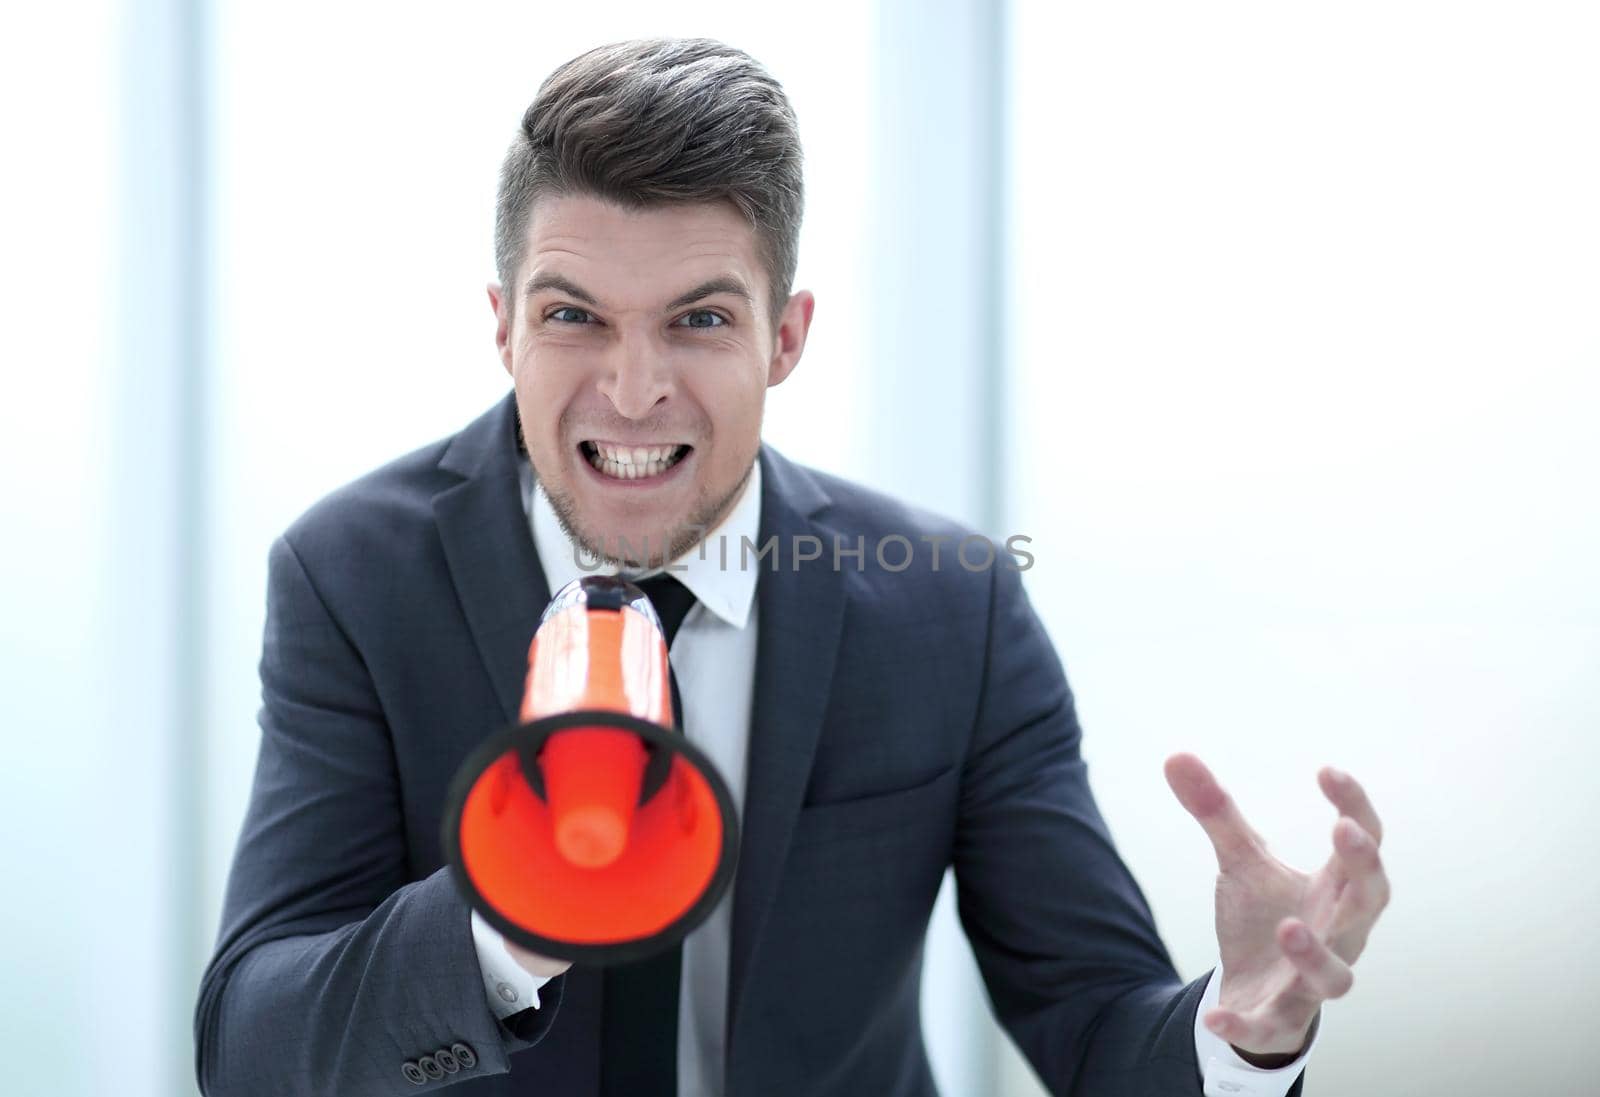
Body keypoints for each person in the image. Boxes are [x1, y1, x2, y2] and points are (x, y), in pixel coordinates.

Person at [194, 37, 1389, 1097]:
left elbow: (1093, 1025)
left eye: (700, 320)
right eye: (574, 317)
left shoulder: (947, 605)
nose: (631, 386)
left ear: (787, 335)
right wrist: (504, 924)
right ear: (502, 322)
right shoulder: (350, 574)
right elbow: (252, 1048)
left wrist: (1247, 1029)